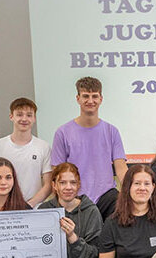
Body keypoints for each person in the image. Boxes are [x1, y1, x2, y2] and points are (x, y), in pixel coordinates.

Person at [51, 77, 127, 218]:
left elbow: (121, 167)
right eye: (85, 96)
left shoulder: (112, 131)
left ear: (101, 99)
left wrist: (131, 192)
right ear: (78, 98)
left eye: (94, 96)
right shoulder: (62, 133)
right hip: (75, 199)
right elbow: (57, 171)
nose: (90, 101)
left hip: (107, 198)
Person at [38, 162, 103, 258]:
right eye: (62, 183)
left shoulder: (91, 211)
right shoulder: (44, 210)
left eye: (73, 183)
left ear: (79, 185)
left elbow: (95, 256)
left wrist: (73, 238)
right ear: (54, 185)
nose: (68, 187)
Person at [0, 97, 53, 206]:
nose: (24, 119)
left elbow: (48, 185)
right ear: (11, 116)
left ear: (34, 118)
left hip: (33, 209)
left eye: (29, 115)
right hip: (2, 209)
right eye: (19, 114)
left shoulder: (44, 147)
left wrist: (29, 205)